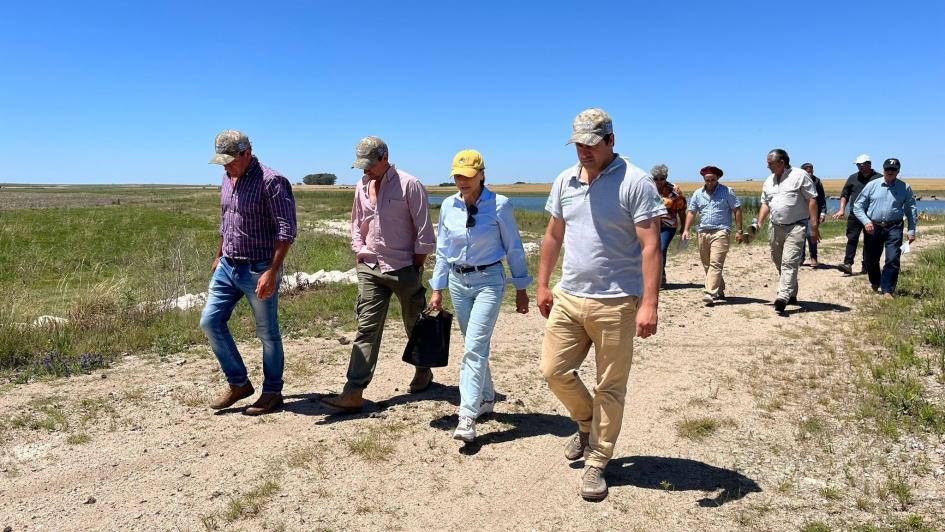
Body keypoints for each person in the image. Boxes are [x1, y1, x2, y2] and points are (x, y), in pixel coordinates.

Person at [537, 108, 664, 501]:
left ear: (611, 140)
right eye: (578, 144)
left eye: (591, 144)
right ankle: (587, 422)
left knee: (610, 385)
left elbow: (650, 245)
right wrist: (543, 284)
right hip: (570, 296)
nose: (584, 151)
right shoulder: (565, 179)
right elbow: (554, 235)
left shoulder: (636, 181)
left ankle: (598, 459)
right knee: (553, 371)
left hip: (616, 303)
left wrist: (649, 304)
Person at [321, 137, 436, 413]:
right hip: (370, 268)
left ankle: (423, 370)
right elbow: (357, 222)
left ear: (385, 157)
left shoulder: (410, 184)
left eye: (369, 165)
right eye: (361, 166)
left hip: (404, 267)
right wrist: (359, 250)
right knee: (367, 328)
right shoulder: (361, 185)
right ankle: (354, 391)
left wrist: (415, 266)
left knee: (415, 324)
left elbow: (424, 230)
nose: (365, 171)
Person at [427, 149, 532, 442]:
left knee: (473, 347)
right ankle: (486, 398)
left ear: (483, 174)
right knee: (475, 344)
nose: (462, 181)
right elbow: (443, 251)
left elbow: (514, 248)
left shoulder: (500, 206)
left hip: (489, 280)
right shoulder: (449, 206)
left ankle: (467, 415)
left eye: (468, 176)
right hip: (459, 282)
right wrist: (438, 289)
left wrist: (521, 289)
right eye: (458, 176)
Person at [200, 130, 297, 415]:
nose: (225, 165)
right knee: (210, 322)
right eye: (222, 161)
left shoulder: (272, 181)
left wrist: (272, 271)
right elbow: (226, 220)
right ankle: (239, 383)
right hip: (228, 265)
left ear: (247, 152)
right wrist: (219, 255)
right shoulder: (228, 177)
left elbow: (286, 231)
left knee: (267, 333)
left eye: (230, 160)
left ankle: (272, 392)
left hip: (258, 268)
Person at [754, 149, 820, 314]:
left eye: (770, 163)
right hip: (775, 226)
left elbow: (812, 199)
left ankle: (782, 296)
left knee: (789, 262)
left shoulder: (799, 175)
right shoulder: (769, 180)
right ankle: (792, 292)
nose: (767, 166)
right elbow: (765, 203)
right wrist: (759, 223)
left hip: (796, 226)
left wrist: (814, 225)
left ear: (781, 162)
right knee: (778, 261)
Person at [852, 158, 917, 298]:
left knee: (893, 258)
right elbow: (857, 206)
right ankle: (875, 281)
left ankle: (888, 290)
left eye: (893, 169)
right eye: (887, 169)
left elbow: (911, 210)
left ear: (898, 171)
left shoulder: (905, 188)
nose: (890, 172)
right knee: (870, 259)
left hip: (894, 226)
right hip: (873, 226)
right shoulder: (872, 185)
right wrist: (866, 221)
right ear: (883, 170)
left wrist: (911, 230)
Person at [681, 165, 743, 305]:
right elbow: (691, 212)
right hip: (703, 231)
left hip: (721, 231)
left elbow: (737, 210)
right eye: (707, 180)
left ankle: (710, 292)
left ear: (718, 178)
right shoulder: (697, 194)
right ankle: (719, 288)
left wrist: (739, 231)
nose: (710, 183)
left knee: (716, 262)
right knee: (707, 264)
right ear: (704, 179)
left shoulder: (727, 192)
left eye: (713, 180)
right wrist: (686, 229)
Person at [833, 154, 882, 274]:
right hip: (855, 214)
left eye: (861, 165)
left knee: (870, 241)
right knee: (852, 238)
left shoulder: (879, 178)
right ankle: (848, 263)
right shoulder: (853, 178)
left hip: (872, 216)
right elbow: (845, 195)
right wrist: (841, 210)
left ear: (869, 164)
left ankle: (867, 265)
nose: (859, 167)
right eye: (858, 165)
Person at [651, 164, 686, 287]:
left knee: (661, 248)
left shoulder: (674, 190)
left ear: (666, 177)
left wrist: (684, 227)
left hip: (668, 225)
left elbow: (681, 209)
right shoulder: (647, 187)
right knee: (651, 250)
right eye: (656, 178)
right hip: (651, 225)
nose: (659, 181)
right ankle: (661, 274)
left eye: (662, 178)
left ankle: (658, 277)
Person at [799, 162, 827, 268]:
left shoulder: (817, 181)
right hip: (800, 213)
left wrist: (823, 212)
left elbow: (821, 199)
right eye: (807, 171)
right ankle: (800, 258)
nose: (810, 173)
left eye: (811, 170)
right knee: (800, 235)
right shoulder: (798, 181)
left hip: (813, 213)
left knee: (812, 235)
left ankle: (813, 257)